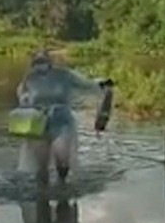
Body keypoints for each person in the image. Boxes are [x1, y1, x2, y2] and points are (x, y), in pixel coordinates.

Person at [15, 50, 113, 185]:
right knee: (41, 165)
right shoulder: (30, 79)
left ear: (49, 62)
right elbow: (22, 97)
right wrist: (25, 102)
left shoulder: (64, 75)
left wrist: (102, 84)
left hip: (61, 120)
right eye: (37, 62)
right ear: (33, 64)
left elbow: (86, 84)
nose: (40, 65)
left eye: (42, 61)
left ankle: (62, 187)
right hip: (38, 123)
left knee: (62, 159)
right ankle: (42, 195)